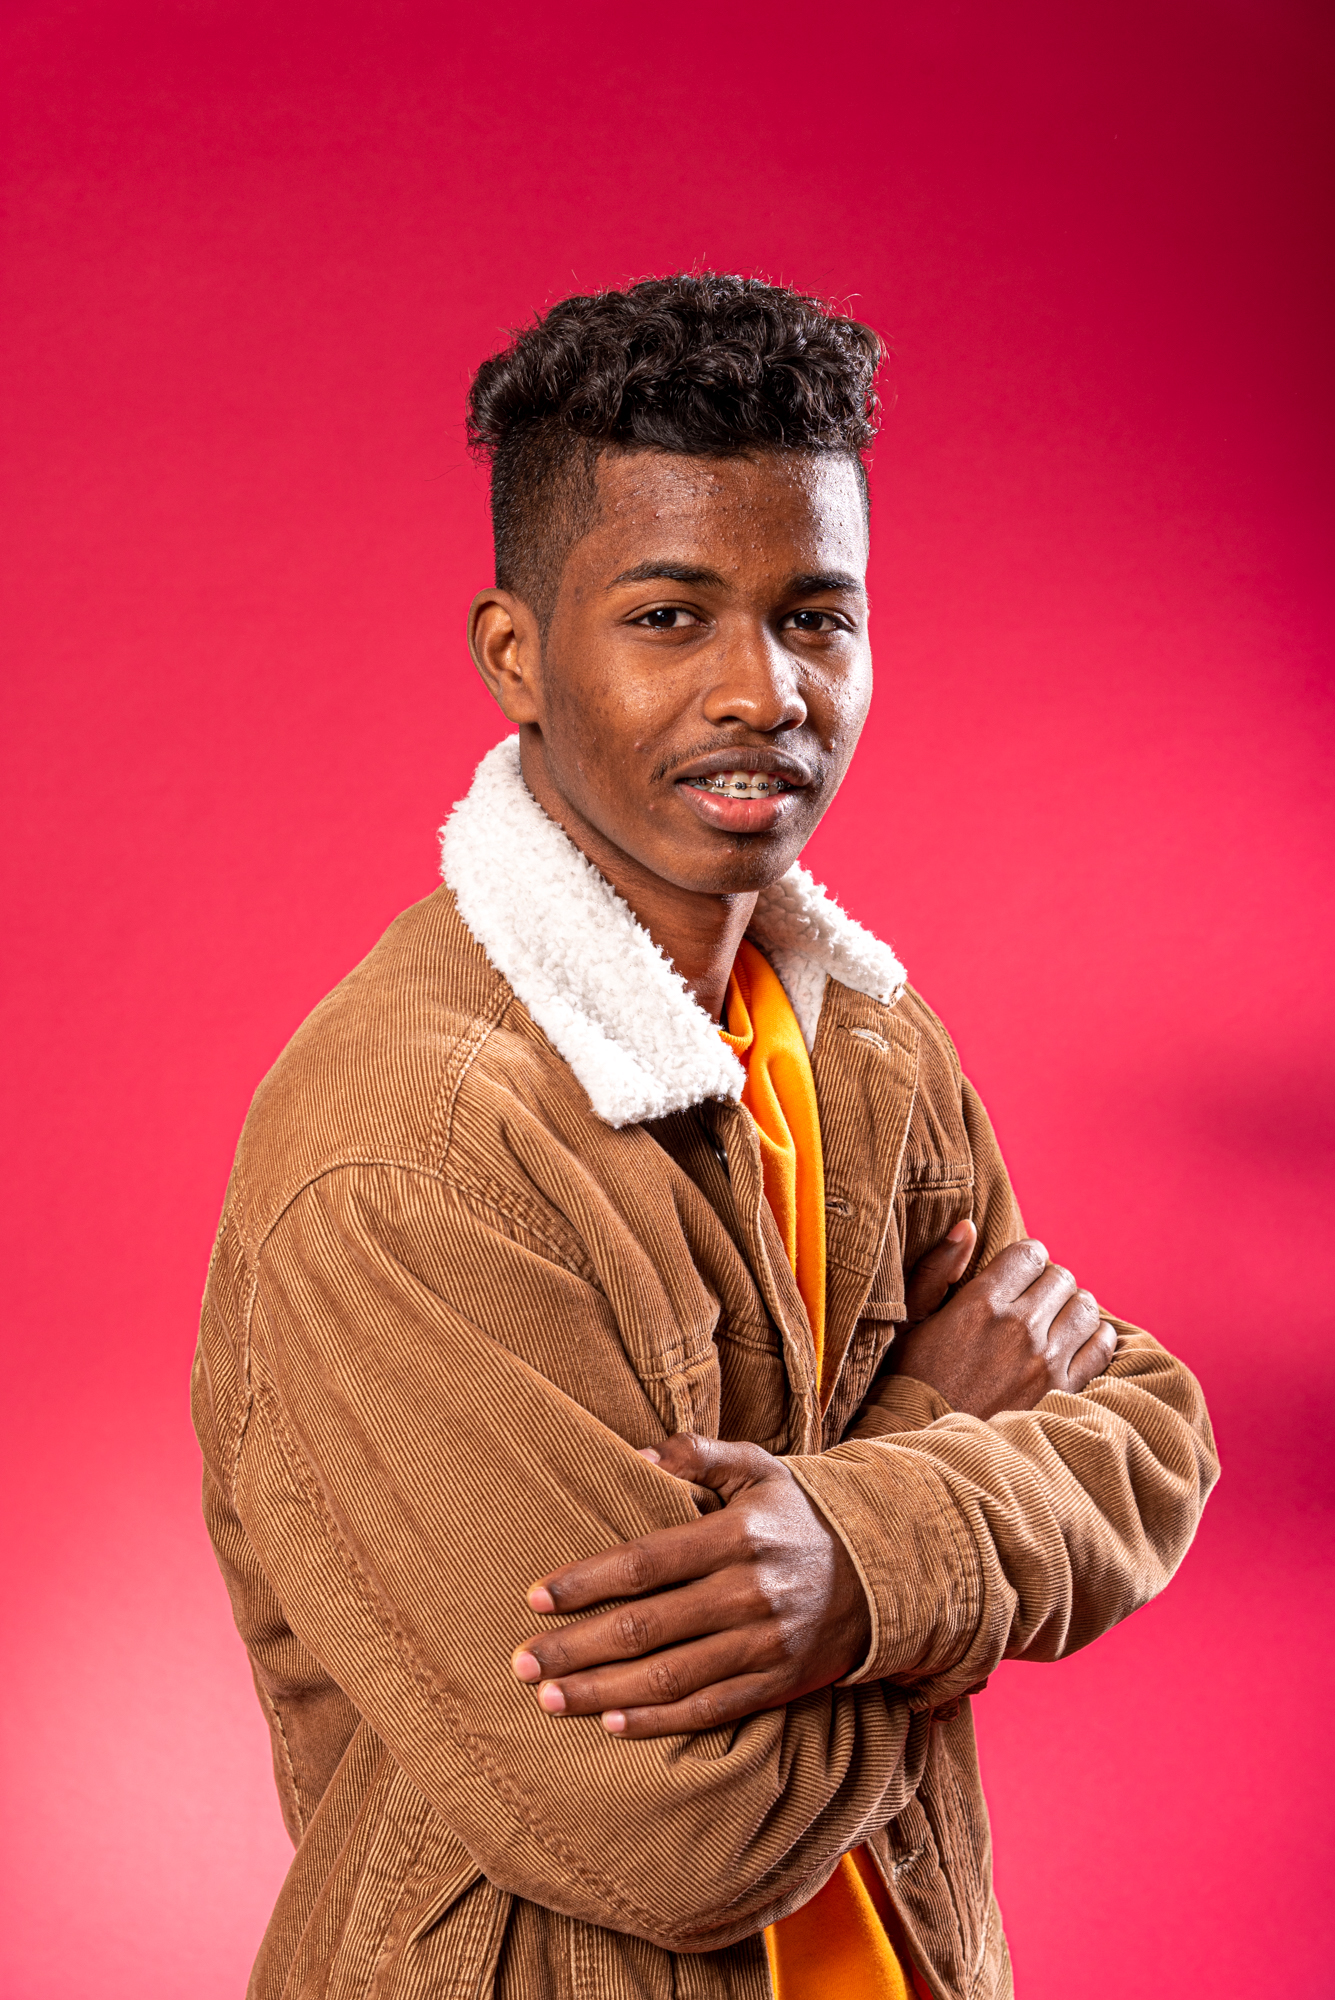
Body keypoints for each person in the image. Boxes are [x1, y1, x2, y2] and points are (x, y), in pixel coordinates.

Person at [193, 273, 1218, 2000]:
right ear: (517, 655)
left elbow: (1158, 1441)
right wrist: (923, 1485)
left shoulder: (871, 1046)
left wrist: (852, 1560)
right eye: (670, 617)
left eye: (816, 616)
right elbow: (685, 1827)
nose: (764, 691)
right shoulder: (404, 1157)